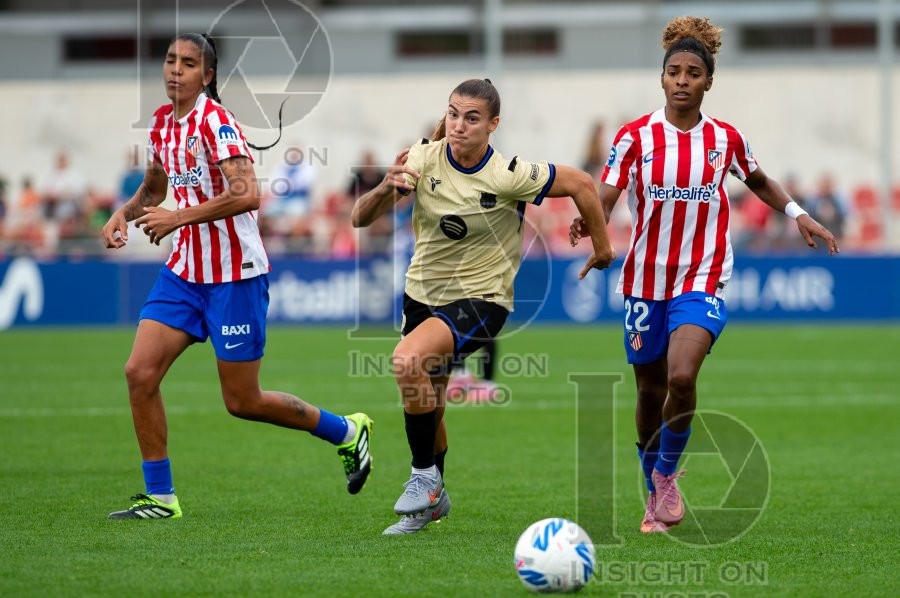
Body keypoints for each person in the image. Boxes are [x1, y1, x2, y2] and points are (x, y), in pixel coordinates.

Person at [569, 17, 839, 534]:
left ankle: (666, 475)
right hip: (645, 280)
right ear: (662, 78)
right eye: (674, 71)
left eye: (693, 73)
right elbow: (606, 193)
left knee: (681, 377)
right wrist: (592, 222)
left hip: (703, 274)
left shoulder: (725, 138)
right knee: (650, 392)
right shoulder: (635, 137)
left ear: (708, 81)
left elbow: (758, 179)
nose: (682, 80)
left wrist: (798, 214)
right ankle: (653, 488)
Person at [100, 33, 373, 519]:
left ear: (207, 75)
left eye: (188, 63)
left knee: (243, 401)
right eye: (170, 60)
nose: (175, 70)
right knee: (138, 373)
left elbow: (247, 193)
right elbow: (155, 189)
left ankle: (347, 431)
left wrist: (177, 218)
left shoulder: (216, 121)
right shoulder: (162, 123)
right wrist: (123, 212)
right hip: (184, 272)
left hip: (234, 275)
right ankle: (160, 497)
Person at [352, 78, 616, 535]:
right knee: (430, 403)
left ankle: (422, 478)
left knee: (406, 361)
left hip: (483, 298)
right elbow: (360, 218)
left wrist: (603, 245)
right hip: (421, 295)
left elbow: (583, 183)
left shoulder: (509, 174)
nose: (459, 125)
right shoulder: (422, 158)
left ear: (493, 124)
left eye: (472, 118)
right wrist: (384, 189)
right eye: (453, 114)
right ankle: (431, 502)